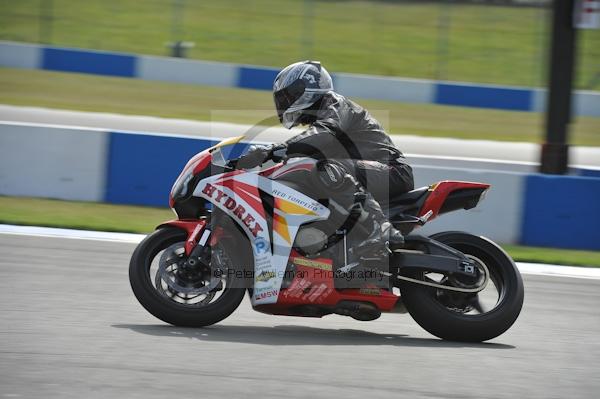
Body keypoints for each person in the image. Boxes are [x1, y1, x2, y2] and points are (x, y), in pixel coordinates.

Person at [237, 60, 414, 252]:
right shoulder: (320, 117)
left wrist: (275, 149)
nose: (284, 102)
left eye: (289, 95)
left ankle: (382, 229)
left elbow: (324, 134)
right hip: (365, 173)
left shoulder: (336, 104)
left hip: (391, 171)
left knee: (324, 168)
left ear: (307, 88)